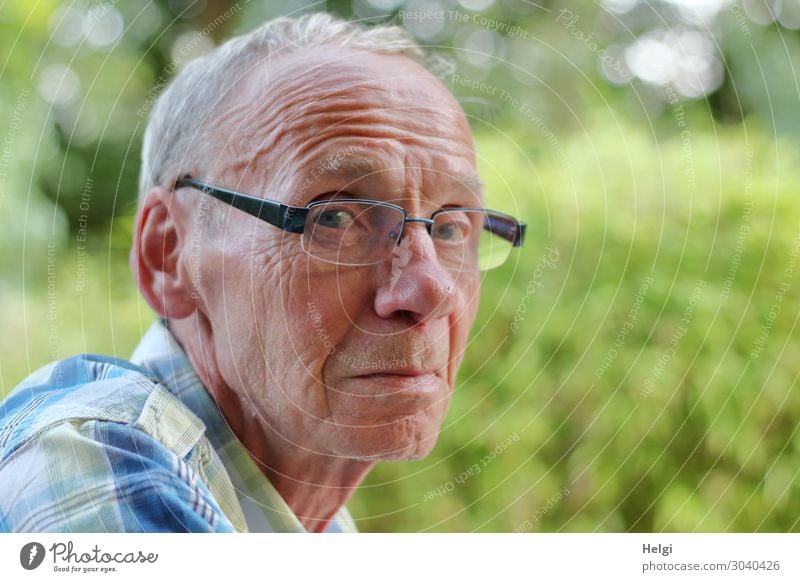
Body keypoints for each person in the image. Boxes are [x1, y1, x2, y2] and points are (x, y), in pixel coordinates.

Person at [0, 12, 525, 532]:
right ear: (169, 254)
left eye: (452, 227)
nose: (431, 289)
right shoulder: (95, 454)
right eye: (335, 218)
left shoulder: (311, 527)